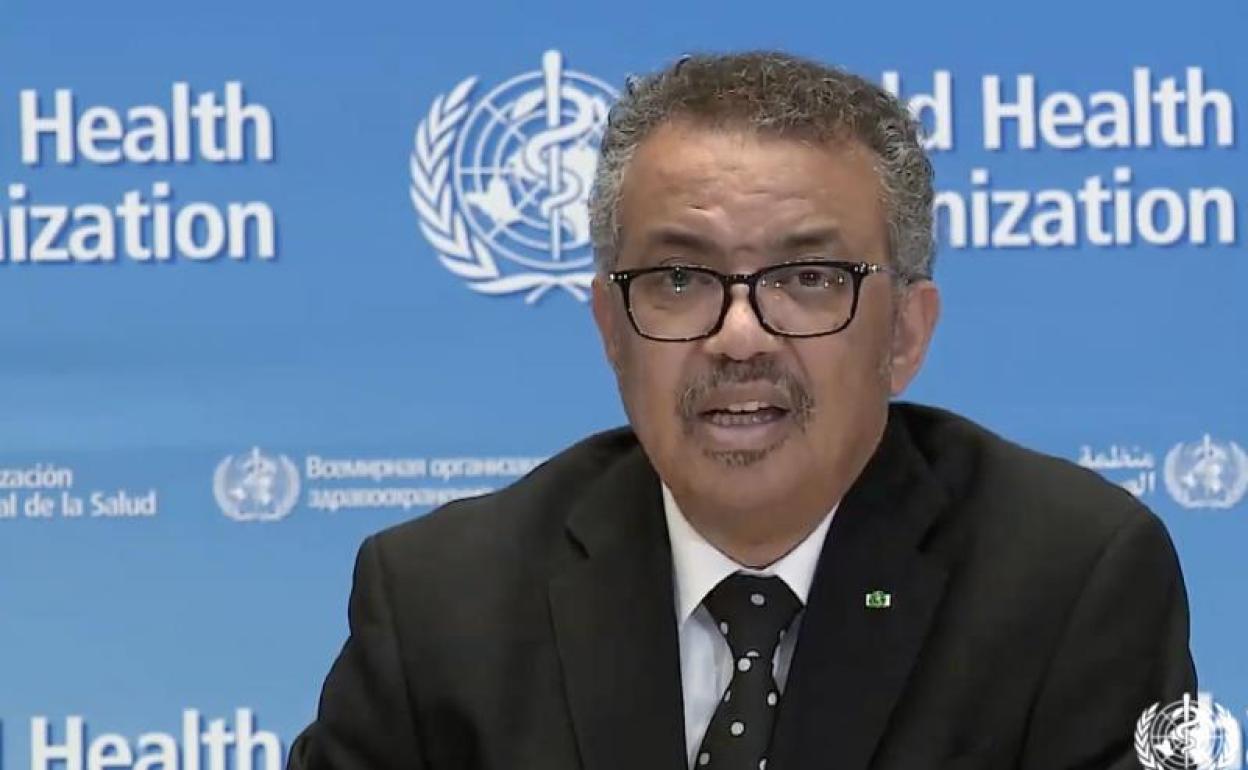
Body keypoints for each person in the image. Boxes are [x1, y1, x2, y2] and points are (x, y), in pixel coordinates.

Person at [288, 51, 1195, 770]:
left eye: (809, 277)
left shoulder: (1070, 583)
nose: (739, 335)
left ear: (905, 335)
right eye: (681, 278)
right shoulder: (443, 604)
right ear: (611, 329)